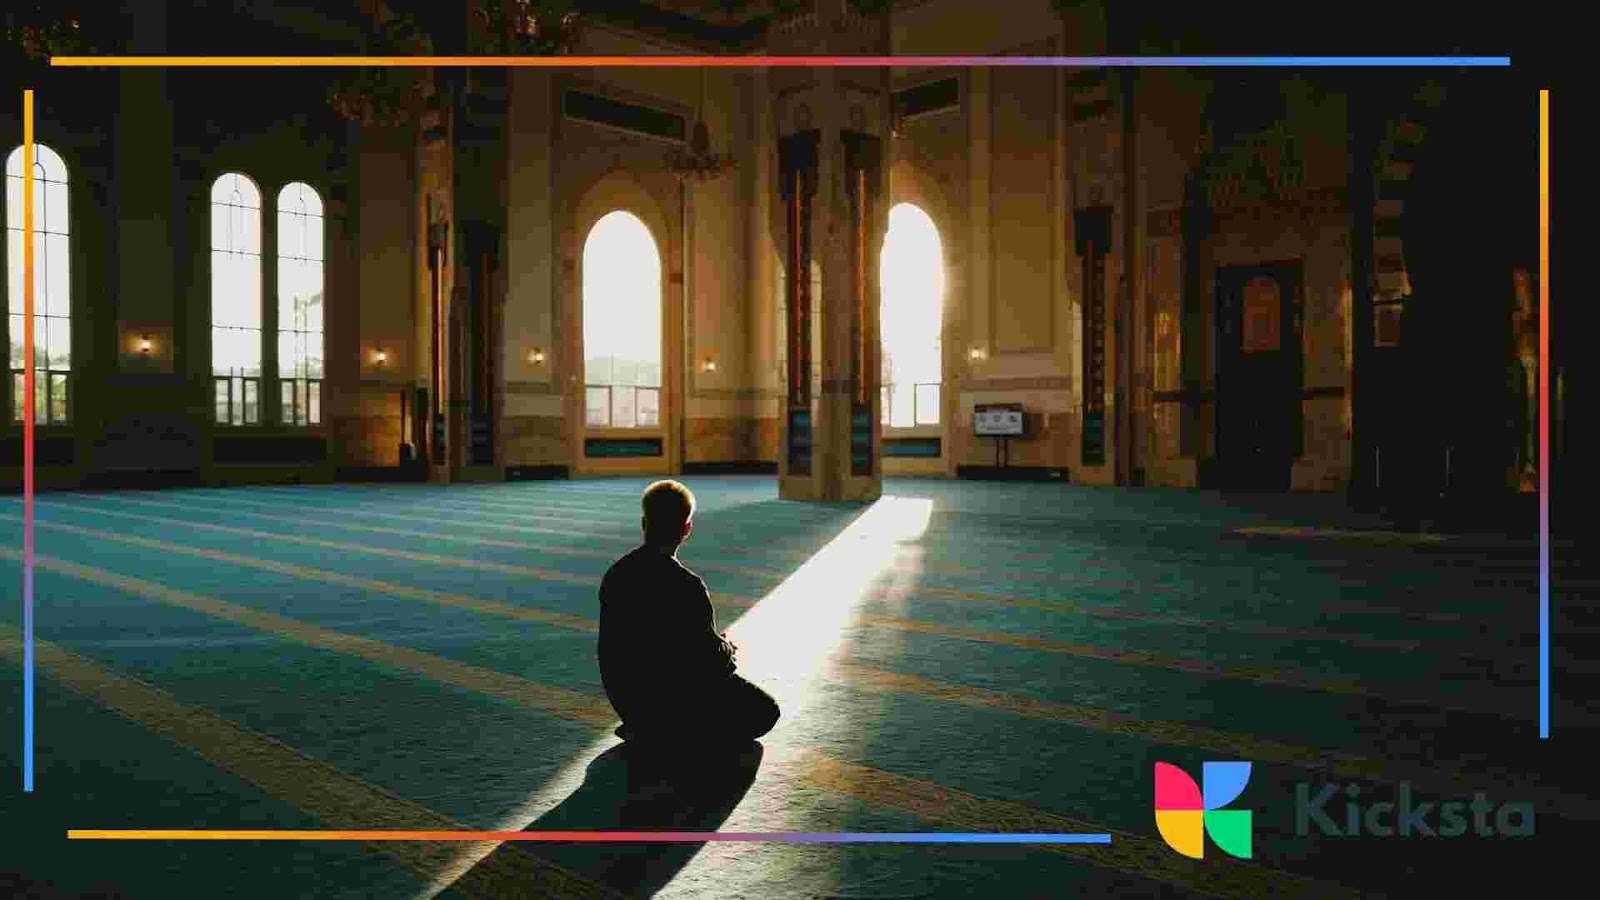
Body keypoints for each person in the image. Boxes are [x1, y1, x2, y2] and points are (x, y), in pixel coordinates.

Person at [598, 479, 780, 749]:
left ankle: (648, 728)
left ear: (644, 523)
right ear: (686, 529)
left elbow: (611, 649)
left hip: (628, 702)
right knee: (766, 711)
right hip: (674, 705)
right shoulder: (687, 585)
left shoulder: (616, 575)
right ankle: (678, 734)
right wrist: (726, 647)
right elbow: (709, 664)